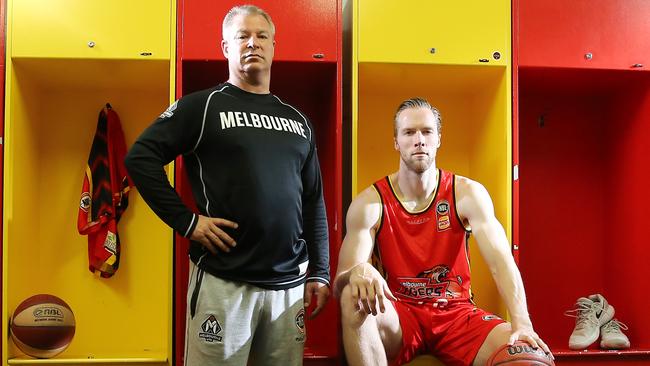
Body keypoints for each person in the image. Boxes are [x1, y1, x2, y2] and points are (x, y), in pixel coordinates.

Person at [124, 5, 330, 366]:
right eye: (242, 36)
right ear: (226, 47)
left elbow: (313, 201)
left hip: (288, 287)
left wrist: (321, 271)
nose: (253, 43)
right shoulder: (203, 107)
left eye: (261, 36)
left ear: (273, 46)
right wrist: (188, 222)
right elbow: (140, 157)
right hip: (225, 281)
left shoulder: (298, 121)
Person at [334, 98, 552, 366]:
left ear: (438, 139)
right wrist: (358, 271)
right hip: (400, 315)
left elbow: (501, 261)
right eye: (409, 132)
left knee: (527, 358)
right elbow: (339, 282)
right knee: (352, 297)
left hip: (456, 314)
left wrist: (522, 322)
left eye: (426, 131)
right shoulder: (370, 203)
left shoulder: (466, 193)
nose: (419, 140)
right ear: (396, 141)